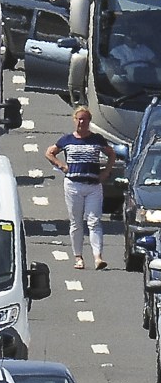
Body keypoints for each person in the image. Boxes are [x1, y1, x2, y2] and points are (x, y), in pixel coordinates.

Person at [45, 106, 116, 271]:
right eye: (79, 119)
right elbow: (49, 152)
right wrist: (61, 165)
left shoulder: (97, 140)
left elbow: (111, 154)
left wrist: (106, 172)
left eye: (84, 119)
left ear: (89, 121)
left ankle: (98, 257)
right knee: (76, 222)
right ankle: (78, 257)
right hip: (73, 185)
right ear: (74, 120)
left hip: (93, 186)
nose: (81, 122)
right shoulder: (67, 140)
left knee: (94, 221)